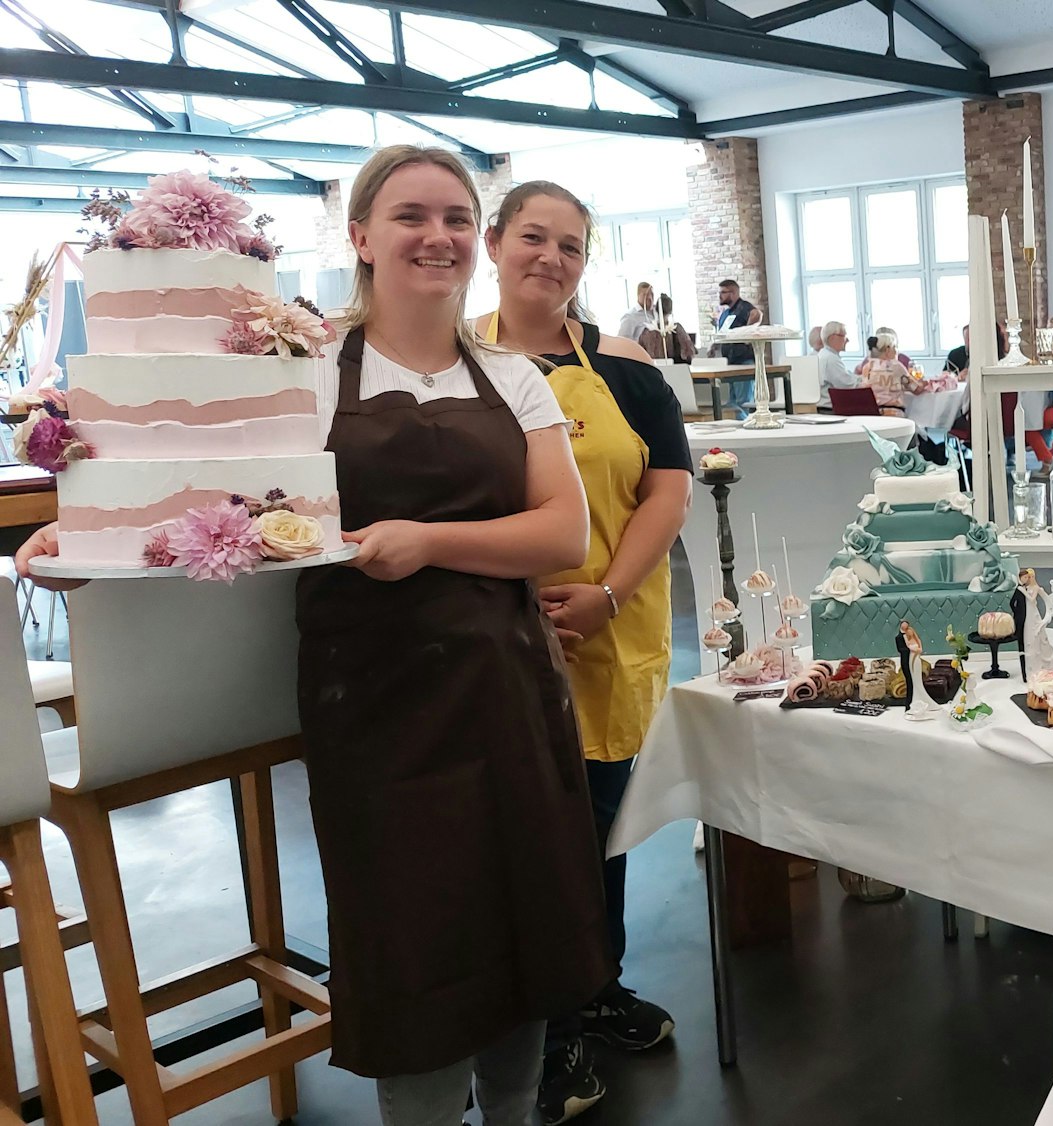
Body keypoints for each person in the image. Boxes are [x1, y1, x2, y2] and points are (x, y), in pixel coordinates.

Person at [17, 145, 611, 1126]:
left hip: (508, 693)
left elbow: (561, 532)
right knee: (410, 953)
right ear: (362, 236)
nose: (438, 235)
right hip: (375, 713)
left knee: (527, 939)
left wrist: (426, 542)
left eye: (458, 217)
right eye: (413, 215)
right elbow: (224, 507)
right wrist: (95, 536)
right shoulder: (296, 373)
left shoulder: (511, 379)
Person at [475, 180, 693, 1124]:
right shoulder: (453, 365)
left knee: (597, 827)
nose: (550, 258)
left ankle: (593, 985)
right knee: (527, 842)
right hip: (493, 639)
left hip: (607, 632)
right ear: (495, 241)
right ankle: (542, 1037)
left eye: (570, 246)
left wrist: (606, 596)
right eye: (533, 237)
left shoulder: (629, 371)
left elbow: (667, 493)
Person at [710, 279, 761, 415]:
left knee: (743, 401)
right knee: (732, 403)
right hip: (730, 363)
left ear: (733, 293)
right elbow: (722, 334)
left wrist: (747, 334)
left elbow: (756, 314)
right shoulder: (726, 313)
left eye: (723, 292)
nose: (720, 296)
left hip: (743, 362)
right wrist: (714, 346)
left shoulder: (744, 307)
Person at [858, 332, 917, 415]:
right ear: (887, 349)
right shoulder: (896, 366)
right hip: (893, 413)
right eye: (895, 347)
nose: (897, 351)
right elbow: (915, 389)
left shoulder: (867, 367)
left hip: (872, 414)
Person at [815, 319, 857, 410]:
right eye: (844, 336)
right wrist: (867, 379)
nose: (847, 340)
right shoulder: (830, 359)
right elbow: (848, 385)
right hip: (829, 410)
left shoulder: (825, 355)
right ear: (833, 337)